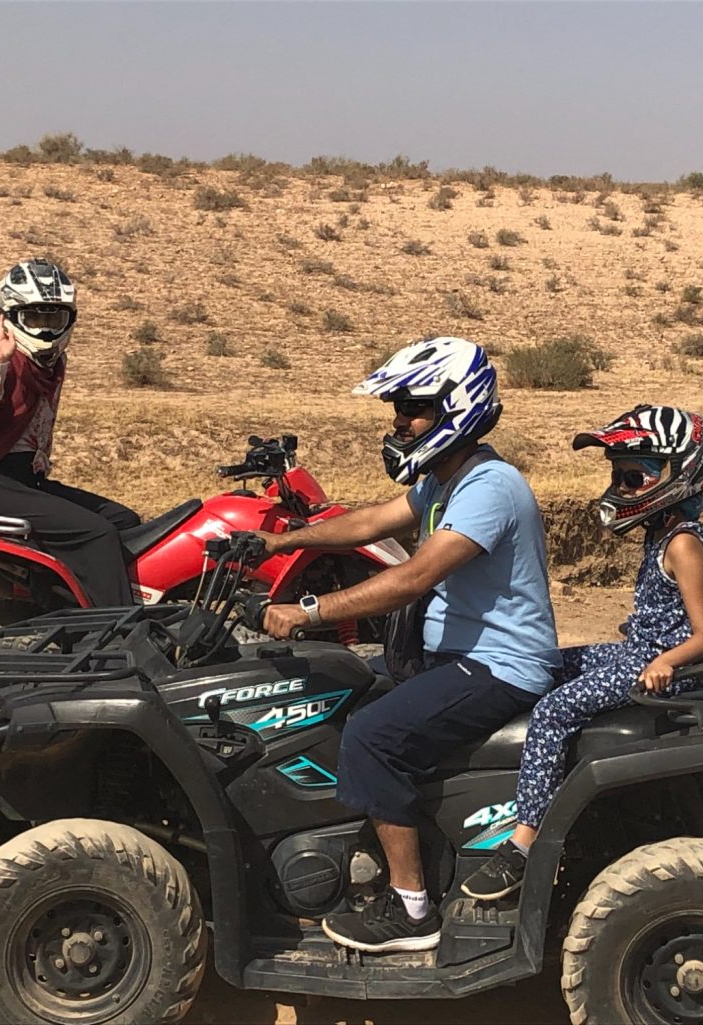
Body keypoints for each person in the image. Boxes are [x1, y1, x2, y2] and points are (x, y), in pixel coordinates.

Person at [256, 336, 560, 953]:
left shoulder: (489, 486)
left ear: (458, 407)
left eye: (414, 408)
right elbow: (371, 521)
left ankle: (411, 909)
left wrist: (308, 611)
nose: (400, 422)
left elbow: (413, 577)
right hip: (461, 660)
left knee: (372, 734)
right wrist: (279, 542)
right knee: (342, 692)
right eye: (397, 408)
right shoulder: (445, 481)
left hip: (500, 665)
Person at [460, 404, 703, 901]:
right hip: (640, 650)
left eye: (633, 478)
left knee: (553, 711)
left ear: (676, 476)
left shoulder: (682, 545)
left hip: (659, 664)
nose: (620, 489)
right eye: (617, 476)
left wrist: (664, 662)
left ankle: (524, 842)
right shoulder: (662, 534)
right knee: (547, 663)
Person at [0, 258, 140, 607]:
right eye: (35, 318)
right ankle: (117, 625)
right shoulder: (0, 359)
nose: (45, 330)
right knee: (98, 534)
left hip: (28, 482)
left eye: (53, 318)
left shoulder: (53, 364)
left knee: (123, 519)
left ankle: (86, 597)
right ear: (10, 316)